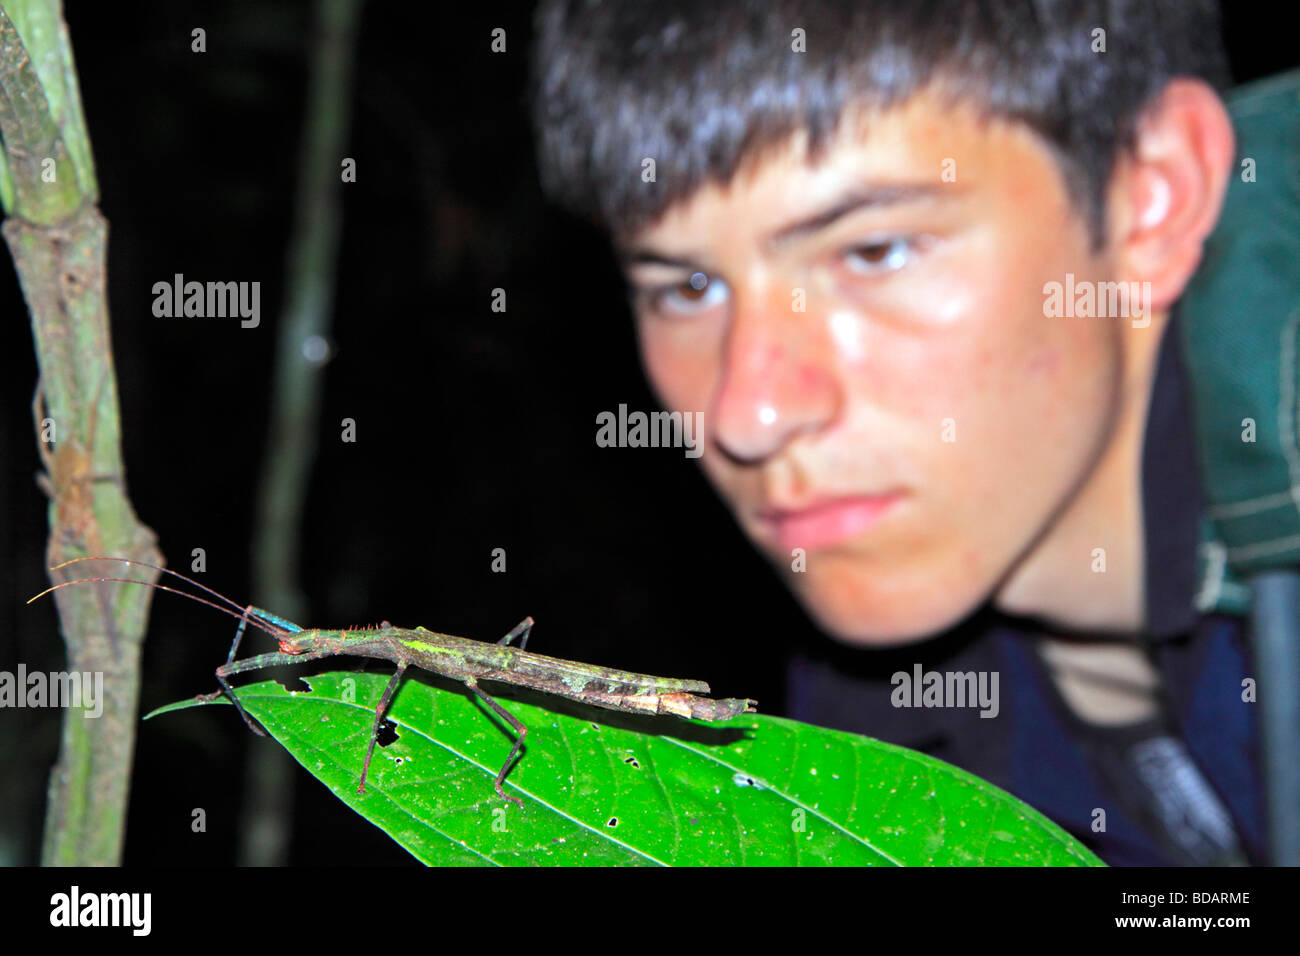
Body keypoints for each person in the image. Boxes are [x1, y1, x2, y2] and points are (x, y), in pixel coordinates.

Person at [530, 0, 1261, 865]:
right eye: (687, 288)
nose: (747, 416)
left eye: (873, 251)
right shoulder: (861, 746)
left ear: (1153, 195)